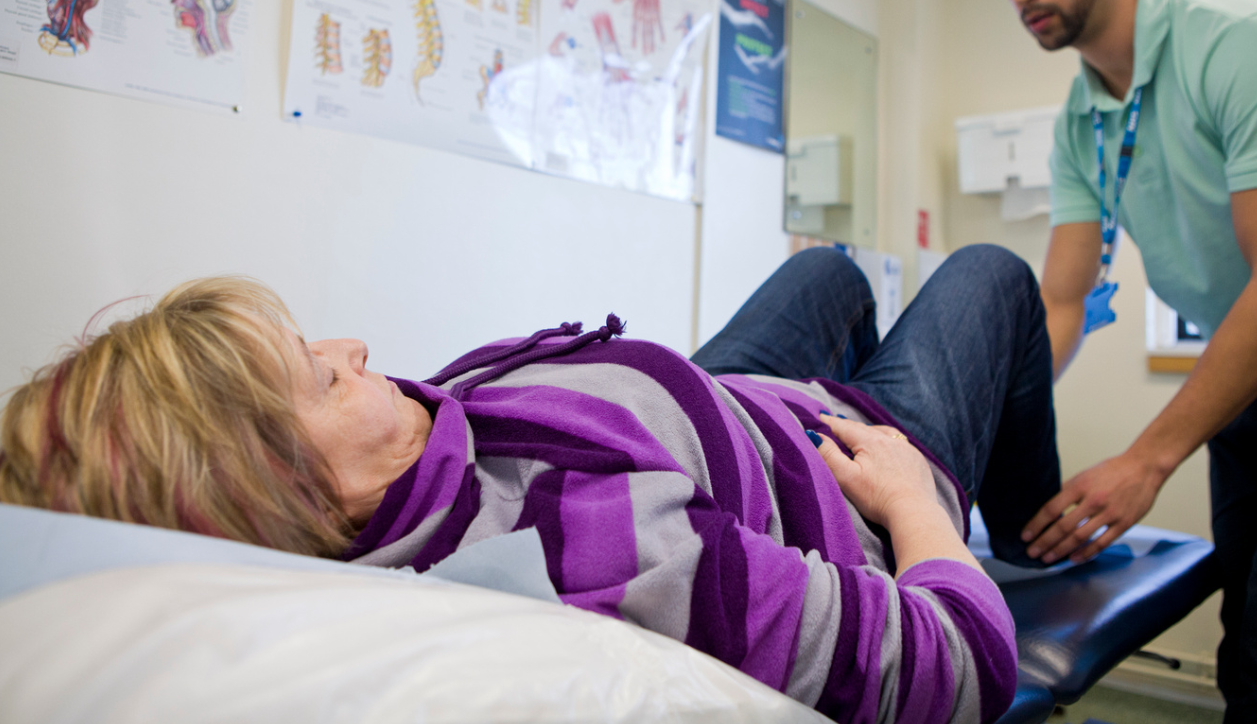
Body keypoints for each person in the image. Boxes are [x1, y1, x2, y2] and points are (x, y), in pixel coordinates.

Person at [0, 245, 1058, 723]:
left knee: (828, 269)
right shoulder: (600, 555)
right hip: (857, 458)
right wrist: (920, 506)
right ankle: (1034, 527)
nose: (356, 345)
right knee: (991, 277)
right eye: (324, 375)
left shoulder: (397, 478)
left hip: (723, 402)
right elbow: (954, 673)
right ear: (307, 502)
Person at [981, 0, 1257, 721]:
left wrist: (1146, 458)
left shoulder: (1229, 46)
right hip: (1241, 381)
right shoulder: (1080, 116)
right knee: (1242, 646)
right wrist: (996, 413)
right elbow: (1061, 301)